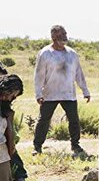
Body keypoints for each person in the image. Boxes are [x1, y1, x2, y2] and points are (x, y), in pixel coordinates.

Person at [32, 25, 90, 157]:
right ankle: (37, 146)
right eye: (60, 35)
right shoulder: (45, 53)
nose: (63, 37)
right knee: (44, 120)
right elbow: (39, 75)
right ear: (53, 37)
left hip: (68, 93)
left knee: (74, 120)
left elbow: (78, 74)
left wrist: (85, 90)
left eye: (64, 34)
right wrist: (38, 94)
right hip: (50, 94)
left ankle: (75, 144)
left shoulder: (72, 54)